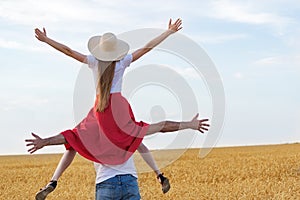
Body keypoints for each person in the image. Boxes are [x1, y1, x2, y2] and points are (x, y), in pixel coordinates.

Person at [26, 18, 210, 199]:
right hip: (119, 106)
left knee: (74, 139)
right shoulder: (122, 62)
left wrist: (46, 40)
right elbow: (147, 48)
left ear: (99, 49)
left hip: (101, 108)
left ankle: (53, 180)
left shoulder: (93, 61)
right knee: (136, 137)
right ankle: (159, 174)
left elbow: (68, 51)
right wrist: (168, 32)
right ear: (116, 50)